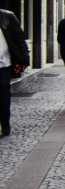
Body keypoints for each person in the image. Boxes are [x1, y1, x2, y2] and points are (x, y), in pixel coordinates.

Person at [0, 9, 29, 137]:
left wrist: (24, 59)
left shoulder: (7, 16)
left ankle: (5, 124)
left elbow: (19, 38)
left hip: (3, 65)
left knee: (4, 97)